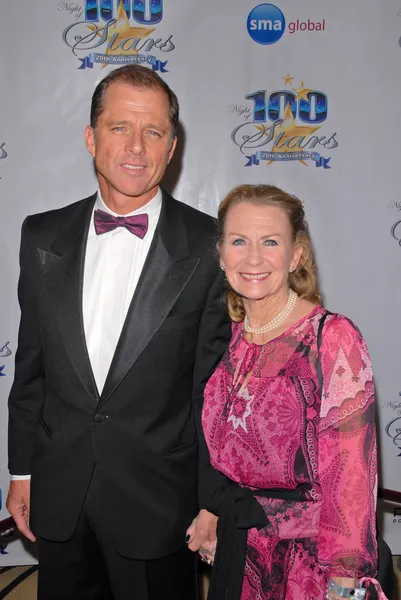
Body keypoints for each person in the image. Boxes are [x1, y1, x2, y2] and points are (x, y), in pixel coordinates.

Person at [6, 64, 231, 600]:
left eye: (153, 131)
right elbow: (31, 366)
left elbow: (213, 393)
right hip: (61, 494)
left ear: (172, 147)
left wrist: (212, 500)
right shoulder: (41, 234)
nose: (136, 146)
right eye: (118, 128)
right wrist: (21, 472)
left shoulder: (210, 245)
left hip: (160, 505)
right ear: (90, 137)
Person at [199, 184, 388, 600]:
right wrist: (213, 508)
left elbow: (350, 475)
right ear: (220, 253)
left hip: (308, 568)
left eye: (270, 242)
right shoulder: (229, 338)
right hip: (240, 551)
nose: (252, 258)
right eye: (238, 241)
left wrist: (344, 581)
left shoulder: (332, 338)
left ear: (296, 254)